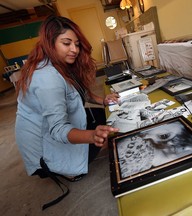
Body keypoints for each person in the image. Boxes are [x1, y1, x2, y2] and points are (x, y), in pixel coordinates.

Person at [15, 15, 119, 183]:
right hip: (42, 141)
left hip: (51, 125)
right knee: (98, 142)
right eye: (66, 43)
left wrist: (104, 101)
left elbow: (78, 91)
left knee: (103, 116)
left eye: (77, 44)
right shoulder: (47, 77)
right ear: (50, 43)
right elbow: (57, 129)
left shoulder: (59, 63)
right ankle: (58, 168)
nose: (75, 50)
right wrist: (93, 135)